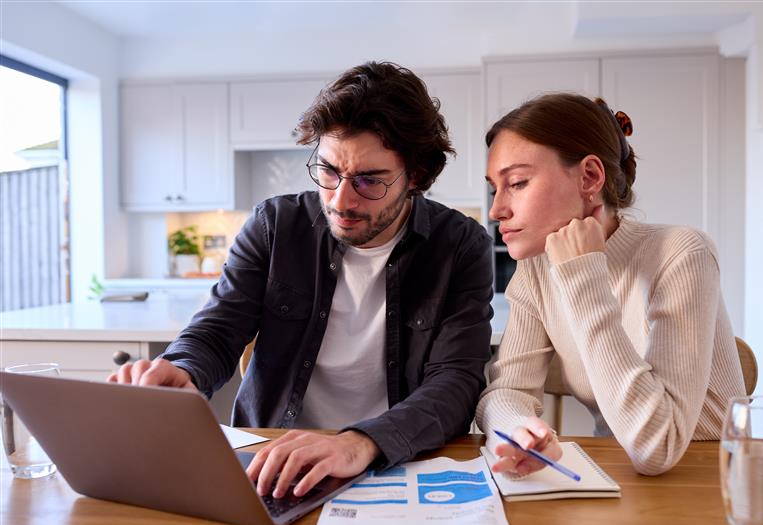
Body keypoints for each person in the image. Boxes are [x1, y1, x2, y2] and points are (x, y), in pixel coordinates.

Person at [109, 62, 494, 498]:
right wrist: (183, 368)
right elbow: (219, 328)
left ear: (416, 177)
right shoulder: (275, 225)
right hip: (272, 458)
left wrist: (360, 442)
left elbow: (456, 381)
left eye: (370, 181)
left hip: (394, 462)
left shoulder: (460, 245)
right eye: (328, 171)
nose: (340, 199)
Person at [477, 93, 746, 477]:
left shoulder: (681, 253)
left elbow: (657, 446)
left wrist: (584, 273)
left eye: (517, 183)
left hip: (707, 479)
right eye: (494, 188)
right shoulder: (536, 272)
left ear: (589, 177)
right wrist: (519, 431)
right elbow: (507, 391)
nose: (496, 210)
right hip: (618, 477)